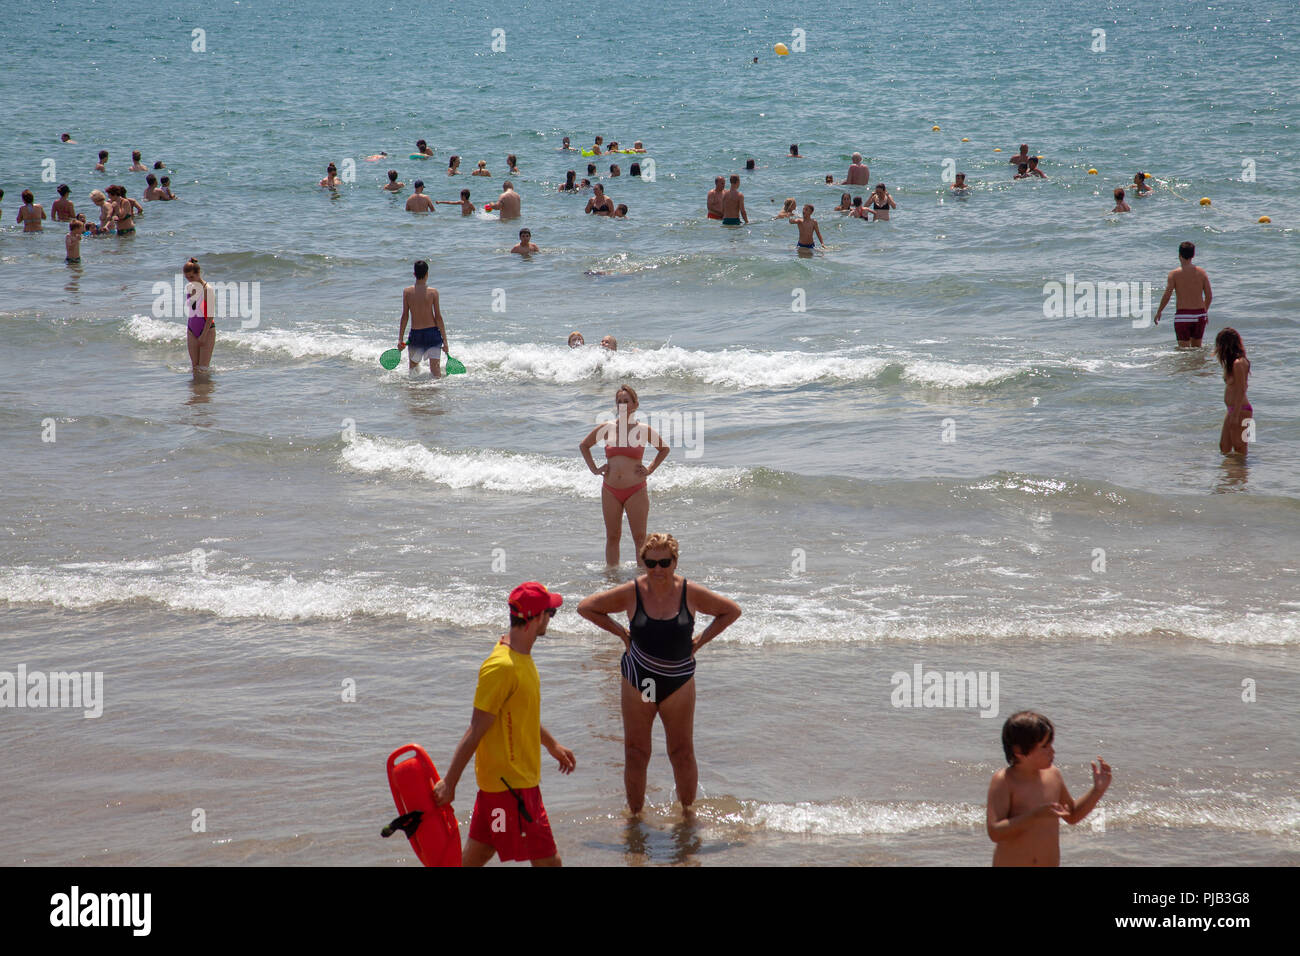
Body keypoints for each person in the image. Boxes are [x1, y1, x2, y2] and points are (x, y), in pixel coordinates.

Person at [577, 533, 742, 813]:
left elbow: (731, 611)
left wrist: (699, 642)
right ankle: (635, 819)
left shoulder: (691, 592)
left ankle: (688, 817)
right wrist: (622, 635)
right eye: (650, 563)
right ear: (643, 563)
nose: (657, 570)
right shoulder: (632, 591)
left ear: (675, 562)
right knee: (636, 753)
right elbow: (587, 607)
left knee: (682, 753)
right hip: (639, 679)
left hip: (677, 683)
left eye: (664, 562)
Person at [432, 582, 576, 867]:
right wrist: (449, 783)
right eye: (551, 612)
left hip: (505, 785)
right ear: (536, 618)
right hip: (513, 787)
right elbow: (475, 729)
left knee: (476, 857)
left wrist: (552, 745)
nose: (551, 618)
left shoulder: (520, 657)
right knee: (549, 861)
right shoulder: (502, 667)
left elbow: (521, 714)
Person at [986, 711, 1111, 867]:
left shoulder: (1053, 774)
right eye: (1044, 746)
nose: (1052, 751)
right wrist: (1035, 815)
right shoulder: (1005, 780)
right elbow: (995, 832)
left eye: (1051, 744)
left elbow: (1072, 815)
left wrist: (1097, 791)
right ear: (1019, 751)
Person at [579, 384, 669, 565]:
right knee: (612, 537)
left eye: (626, 401)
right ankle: (612, 580)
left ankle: (642, 579)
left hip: (636, 490)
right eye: (619, 401)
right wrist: (594, 469)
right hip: (610, 489)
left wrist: (650, 469)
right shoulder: (607, 427)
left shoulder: (643, 429)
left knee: (639, 538)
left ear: (635, 404)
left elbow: (664, 449)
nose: (622, 405)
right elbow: (584, 446)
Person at [1154, 241, 1212, 347]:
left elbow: (1167, 294)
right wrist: (1205, 311)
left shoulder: (1174, 274)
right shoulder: (1202, 272)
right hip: (1200, 315)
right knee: (1197, 350)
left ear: (1179, 255)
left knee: (1183, 352)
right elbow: (1209, 296)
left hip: (1183, 316)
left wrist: (1159, 311)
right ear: (1193, 255)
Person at [398, 260, 449, 376]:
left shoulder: (407, 292)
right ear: (427, 274)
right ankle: (437, 393)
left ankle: (415, 392)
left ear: (414, 274)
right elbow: (438, 317)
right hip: (432, 334)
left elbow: (405, 316)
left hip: (416, 335)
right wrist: (445, 341)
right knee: (436, 371)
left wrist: (400, 339)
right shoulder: (433, 292)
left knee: (413, 370)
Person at [1215, 328, 1252, 455]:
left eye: (1219, 345)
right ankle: (1230, 474)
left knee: (1240, 447)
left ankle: (1242, 474)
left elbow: (1242, 389)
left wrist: (1235, 415)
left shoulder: (1239, 363)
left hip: (1241, 410)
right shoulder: (1231, 364)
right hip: (1232, 409)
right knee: (1224, 447)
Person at [184, 257, 216, 374]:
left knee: (203, 369)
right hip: (191, 329)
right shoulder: (189, 288)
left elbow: (210, 316)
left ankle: (205, 391)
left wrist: (203, 335)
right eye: (187, 277)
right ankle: (196, 392)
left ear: (198, 273)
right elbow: (192, 310)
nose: (189, 280)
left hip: (207, 330)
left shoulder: (208, 289)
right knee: (194, 368)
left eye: (192, 277)